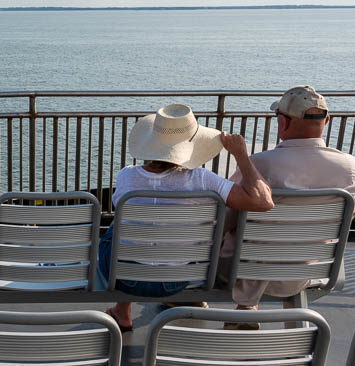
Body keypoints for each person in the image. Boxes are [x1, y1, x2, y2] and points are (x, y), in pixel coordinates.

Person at [98, 103, 273, 332]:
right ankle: (146, 303)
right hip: (177, 279)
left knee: (120, 225)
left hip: (124, 277)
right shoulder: (203, 180)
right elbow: (262, 201)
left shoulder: (126, 177)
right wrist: (241, 155)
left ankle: (122, 311)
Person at [222, 85, 355, 328]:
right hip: (311, 270)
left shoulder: (259, 165)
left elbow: (225, 220)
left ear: (283, 122)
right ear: (327, 120)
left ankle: (247, 305)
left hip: (244, 270)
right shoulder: (352, 168)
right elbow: (349, 215)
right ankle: (278, 316)